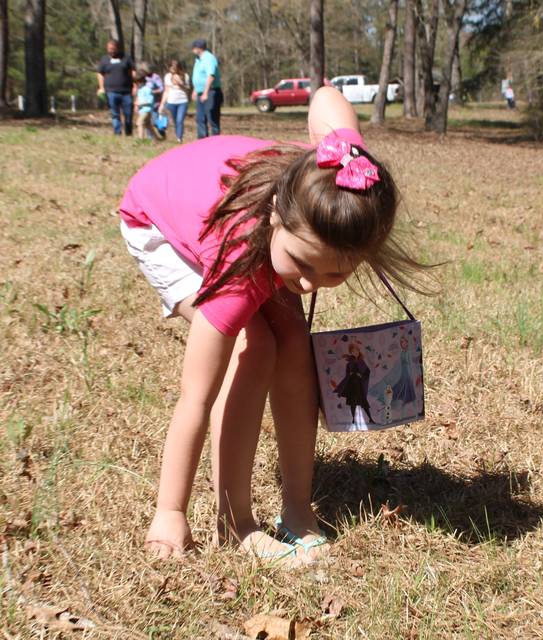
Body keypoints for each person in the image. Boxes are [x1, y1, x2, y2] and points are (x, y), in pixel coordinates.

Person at [118, 86, 425, 563]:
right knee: (256, 344)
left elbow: (326, 95)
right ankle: (235, 523)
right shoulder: (242, 256)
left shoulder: (336, 185)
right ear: (277, 216)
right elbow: (195, 395)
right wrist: (169, 512)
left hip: (240, 215)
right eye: (302, 264)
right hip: (157, 222)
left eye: (335, 274)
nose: (308, 284)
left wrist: (355, 149)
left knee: (294, 345)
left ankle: (297, 511)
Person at [96, 39, 134, 136]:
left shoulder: (126, 58)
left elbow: (133, 72)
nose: (111, 51)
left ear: (117, 48)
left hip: (126, 92)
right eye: (109, 49)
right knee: (115, 114)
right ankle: (117, 133)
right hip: (111, 92)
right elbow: (100, 73)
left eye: (113, 49)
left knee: (128, 114)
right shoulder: (104, 59)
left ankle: (128, 133)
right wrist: (101, 87)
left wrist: (135, 86)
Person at [191, 38, 223, 138]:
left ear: (199, 48)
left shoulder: (209, 58)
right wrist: (195, 90)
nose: (192, 50)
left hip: (211, 92)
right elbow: (199, 77)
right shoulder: (198, 60)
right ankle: (202, 140)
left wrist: (205, 92)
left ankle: (215, 140)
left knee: (212, 117)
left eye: (194, 48)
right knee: (200, 118)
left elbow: (211, 76)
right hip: (201, 92)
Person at [159, 60, 190, 143]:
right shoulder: (167, 76)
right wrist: (162, 103)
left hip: (182, 101)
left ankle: (179, 138)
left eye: (174, 68)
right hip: (171, 101)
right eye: (170, 68)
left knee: (180, 120)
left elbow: (188, 89)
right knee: (174, 120)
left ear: (178, 68)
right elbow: (166, 91)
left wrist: (180, 83)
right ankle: (164, 131)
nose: (172, 70)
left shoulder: (185, 76)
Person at [134, 71, 161, 140]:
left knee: (139, 123)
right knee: (148, 125)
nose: (136, 84)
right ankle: (157, 138)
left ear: (142, 82)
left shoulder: (147, 89)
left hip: (147, 110)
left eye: (137, 83)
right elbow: (139, 99)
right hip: (142, 110)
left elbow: (150, 101)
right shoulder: (140, 90)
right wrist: (136, 105)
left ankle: (141, 139)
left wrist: (140, 104)